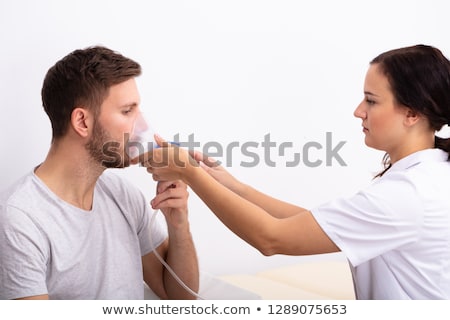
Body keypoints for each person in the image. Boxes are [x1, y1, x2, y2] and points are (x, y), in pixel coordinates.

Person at [140, 44, 450, 299]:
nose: (358, 111)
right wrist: (233, 186)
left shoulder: (408, 194)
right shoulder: (428, 176)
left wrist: (191, 175)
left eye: (371, 100)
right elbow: (314, 223)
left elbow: (270, 239)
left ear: (412, 113)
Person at [0, 46, 199, 300]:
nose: (144, 126)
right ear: (82, 122)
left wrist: (178, 224)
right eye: (128, 111)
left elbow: (181, 299)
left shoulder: (124, 196)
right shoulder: (19, 219)